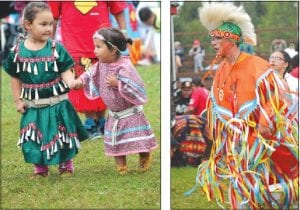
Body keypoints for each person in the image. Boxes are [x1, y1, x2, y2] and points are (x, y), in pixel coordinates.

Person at [186, 3, 299, 209]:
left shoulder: (257, 65)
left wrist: (265, 120)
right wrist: (216, 128)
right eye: (211, 38)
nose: (213, 42)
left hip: (260, 138)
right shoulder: (220, 68)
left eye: (217, 38)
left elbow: (277, 96)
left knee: (264, 180)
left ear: (231, 40)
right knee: (239, 180)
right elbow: (216, 100)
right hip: (235, 139)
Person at [3, 2, 88, 178]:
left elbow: (65, 70)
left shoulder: (56, 48)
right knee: (33, 137)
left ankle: (66, 165)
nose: (49, 28)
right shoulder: (18, 52)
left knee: (62, 134)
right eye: (43, 24)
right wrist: (18, 100)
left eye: (51, 24)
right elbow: (14, 77)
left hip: (57, 103)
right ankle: (40, 169)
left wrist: (73, 82)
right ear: (28, 25)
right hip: (33, 105)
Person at [72, 27, 157, 175]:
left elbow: (135, 85)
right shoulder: (100, 65)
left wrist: (118, 83)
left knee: (139, 141)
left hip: (131, 114)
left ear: (112, 50)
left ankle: (144, 156)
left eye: (98, 47)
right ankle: (121, 167)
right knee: (116, 143)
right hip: (114, 115)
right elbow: (90, 73)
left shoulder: (125, 66)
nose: (94, 51)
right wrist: (80, 80)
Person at [48, 1, 127, 138]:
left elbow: (117, 8)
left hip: (104, 43)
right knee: (82, 84)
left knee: (104, 82)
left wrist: (124, 31)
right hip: (75, 45)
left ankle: (102, 121)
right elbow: (52, 17)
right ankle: (90, 121)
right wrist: (49, 42)